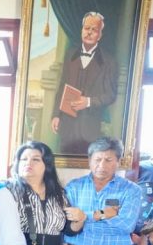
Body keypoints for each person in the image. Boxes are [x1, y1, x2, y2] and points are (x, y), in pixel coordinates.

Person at [62, 137, 142, 245]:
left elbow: (127, 225)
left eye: (108, 160)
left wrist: (88, 216)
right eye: (97, 159)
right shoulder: (74, 187)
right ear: (89, 160)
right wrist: (109, 214)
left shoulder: (131, 190)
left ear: (118, 161)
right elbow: (67, 221)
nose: (102, 165)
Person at [50, 12, 119, 156]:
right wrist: (56, 115)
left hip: (90, 129)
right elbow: (62, 86)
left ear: (100, 35)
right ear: (82, 30)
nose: (89, 32)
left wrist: (88, 102)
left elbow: (110, 95)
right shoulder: (70, 54)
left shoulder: (109, 61)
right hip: (67, 125)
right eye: (87, 28)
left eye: (94, 29)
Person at [6, 141, 86, 245]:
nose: (28, 163)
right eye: (24, 159)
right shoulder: (8, 191)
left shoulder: (59, 193)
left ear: (47, 165)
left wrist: (80, 220)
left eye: (35, 159)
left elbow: (68, 230)